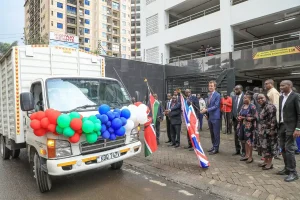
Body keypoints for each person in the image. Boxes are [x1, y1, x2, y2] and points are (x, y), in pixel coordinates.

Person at [277, 80, 300, 182]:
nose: (281, 87)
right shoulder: (281, 97)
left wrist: (298, 128)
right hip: (282, 126)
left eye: (283, 85)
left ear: (290, 86)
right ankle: (287, 168)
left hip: (291, 127)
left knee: (289, 149)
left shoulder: (296, 96)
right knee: (283, 148)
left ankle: (293, 173)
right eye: (280, 85)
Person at [257, 93, 278, 170]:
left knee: (269, 146)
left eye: (261, 98)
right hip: (263, 131)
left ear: (266, 97)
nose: (260, 100)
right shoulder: (262, 107)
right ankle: (265, 161)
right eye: (258, 99)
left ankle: (269, 163)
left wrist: (272, 130)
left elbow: (273, 120)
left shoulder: (270, 107)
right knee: (264, 147)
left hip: (269, 131)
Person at [201, 80, 221, 155]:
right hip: (210, 117)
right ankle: (213, 146)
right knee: (212, 133)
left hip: (216, 117)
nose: (210, 87)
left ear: (215, 86)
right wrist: (205, 112)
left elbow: (216, 106)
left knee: (216, 133)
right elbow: (208, 105)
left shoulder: (217, 95)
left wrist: (206, 109)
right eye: (209, 86)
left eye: (211, 86)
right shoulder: (209, 95)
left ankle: (216, 148)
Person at [238, 94, 258, 163]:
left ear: (249, 98)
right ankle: (246, 155)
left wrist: (245, 118)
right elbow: (240, 114)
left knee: (249, 141)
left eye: (245, 98)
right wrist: (239, 117)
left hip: (250, 127)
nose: (244, 99)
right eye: (243, 98)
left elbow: (255, 117)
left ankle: (250, 157)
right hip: (242, 125)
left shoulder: (252, 106)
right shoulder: (243, 106)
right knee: (245, 141)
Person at [232, 85, 246, 157]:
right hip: (235, 120)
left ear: (240, 89)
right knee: (236, 136)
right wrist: (233, 117)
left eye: (236, 90)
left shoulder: (245, 97)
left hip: (243, 120)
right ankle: (237, 150)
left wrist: (242, 117)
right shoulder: (234, 97)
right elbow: (233, 108)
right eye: (235, 90)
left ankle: (244, 151)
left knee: (242, 136)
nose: (235, 91)